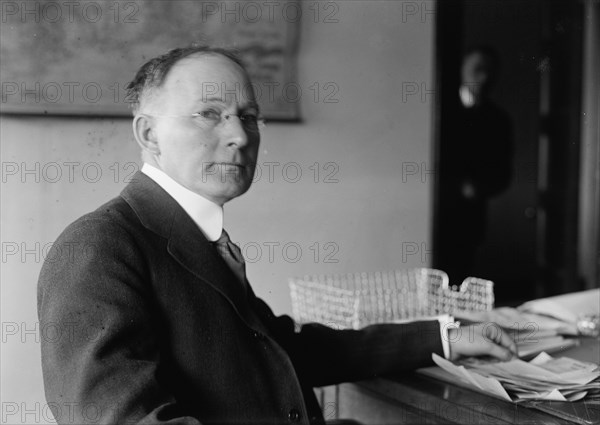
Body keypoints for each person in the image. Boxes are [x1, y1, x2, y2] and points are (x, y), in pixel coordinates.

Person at [38, 46, 517, 425]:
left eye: (248, 116)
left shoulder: (195, 234)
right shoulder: (98, 248)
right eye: (209, 113)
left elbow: (284, 350)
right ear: (149, 134)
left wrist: (446, 336)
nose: (241, 137)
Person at [437, 46, 514, 284]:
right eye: (477, 69)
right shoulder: (438, 113)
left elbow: (503, 173)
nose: (484, 77)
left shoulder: (499, 120)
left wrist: (478, 188)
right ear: (461, 69)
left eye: (490, 71)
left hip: (469, 219)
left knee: (460, 280)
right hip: (434, 212)